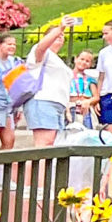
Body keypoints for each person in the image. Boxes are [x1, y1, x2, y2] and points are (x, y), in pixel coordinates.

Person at [23, 15, 82, 144]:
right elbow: (41, 47)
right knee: (44, 144)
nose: (60, 37)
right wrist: (61, 27)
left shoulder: (57, 59)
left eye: (62, 36)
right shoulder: (41, 53)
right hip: (43, 101)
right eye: (56, 36)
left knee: (53, 145)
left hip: (58, 104)